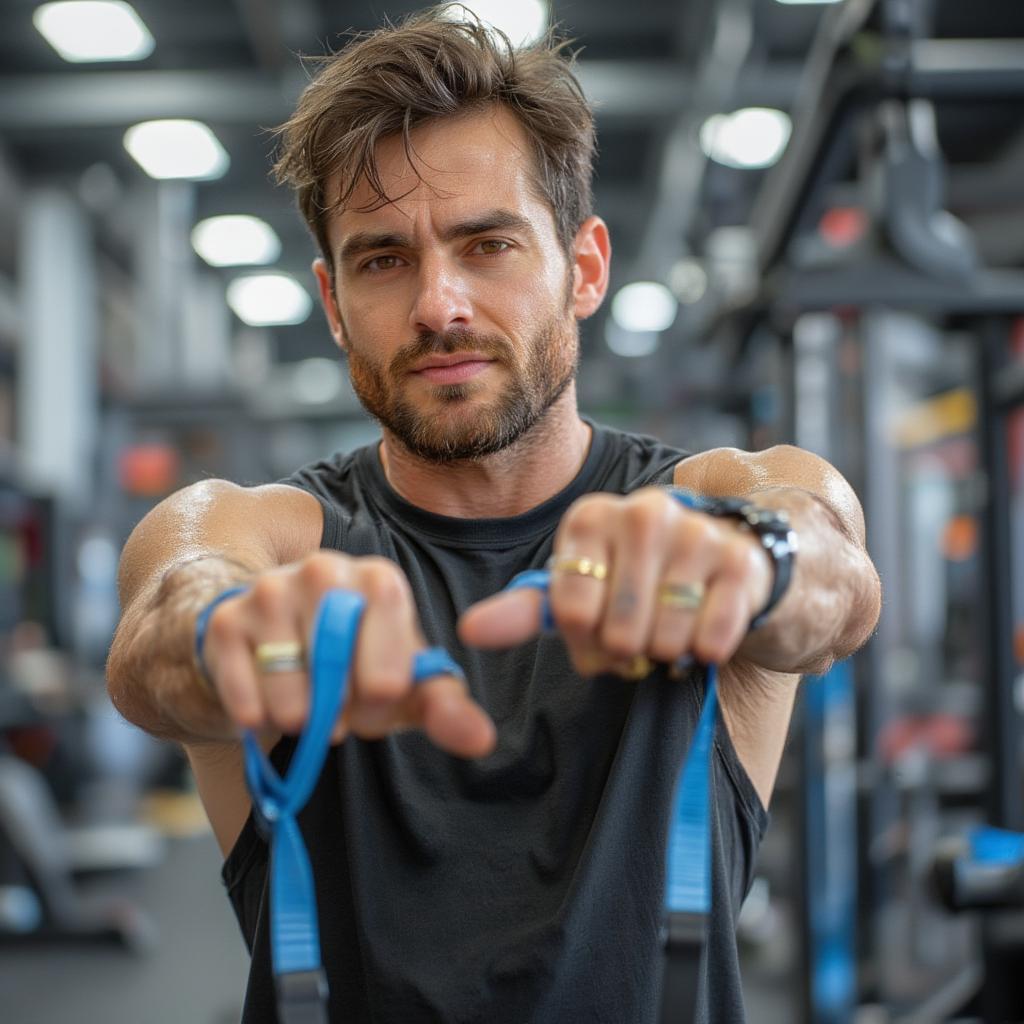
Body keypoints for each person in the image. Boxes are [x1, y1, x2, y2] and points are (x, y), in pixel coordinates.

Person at [107, 8, 881, 1022]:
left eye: (488, 245)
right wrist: (225, 629)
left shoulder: (709, 506)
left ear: (585, 266)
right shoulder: (275, 537)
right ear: (333, 303)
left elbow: (832, 569)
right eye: (383, 259)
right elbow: (165, 615)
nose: (439, 304)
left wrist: (753, 560)